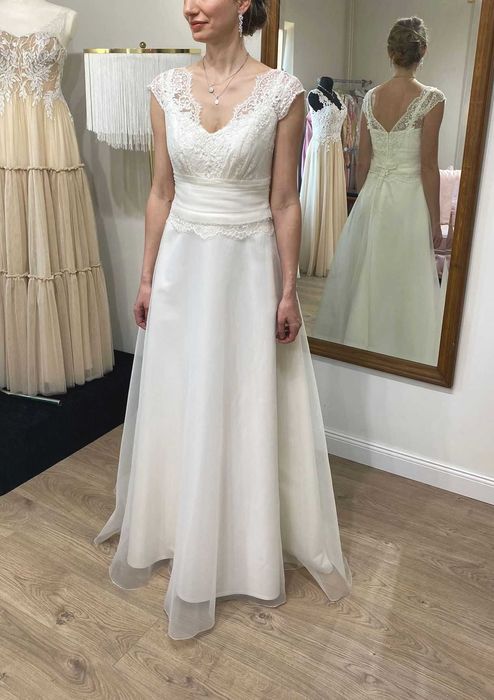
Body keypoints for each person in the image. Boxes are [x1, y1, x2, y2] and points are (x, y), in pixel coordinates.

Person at [93, 0, 352, 641]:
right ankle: (174, 525)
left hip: (245, 268)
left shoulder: (283, 93)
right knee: (179, 395)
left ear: (242, 3)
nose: (189, 7)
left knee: (240, 398)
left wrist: (288, 290)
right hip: (182, 266)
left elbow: (285, 200)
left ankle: (240, 543)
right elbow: (161, 191)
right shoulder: (165, 88)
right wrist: (147, 276)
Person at [313, 16, 446, 366]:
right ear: (423, 51)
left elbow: (362, 162)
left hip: (373, 196)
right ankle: (403, 353)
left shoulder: (371, 97)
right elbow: (428, 166)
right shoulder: (432, 99)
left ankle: (363, 346)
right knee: (403, 277)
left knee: (369, 273)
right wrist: (435, 220)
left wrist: (363, 201)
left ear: (390, 52)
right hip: (408, 200)